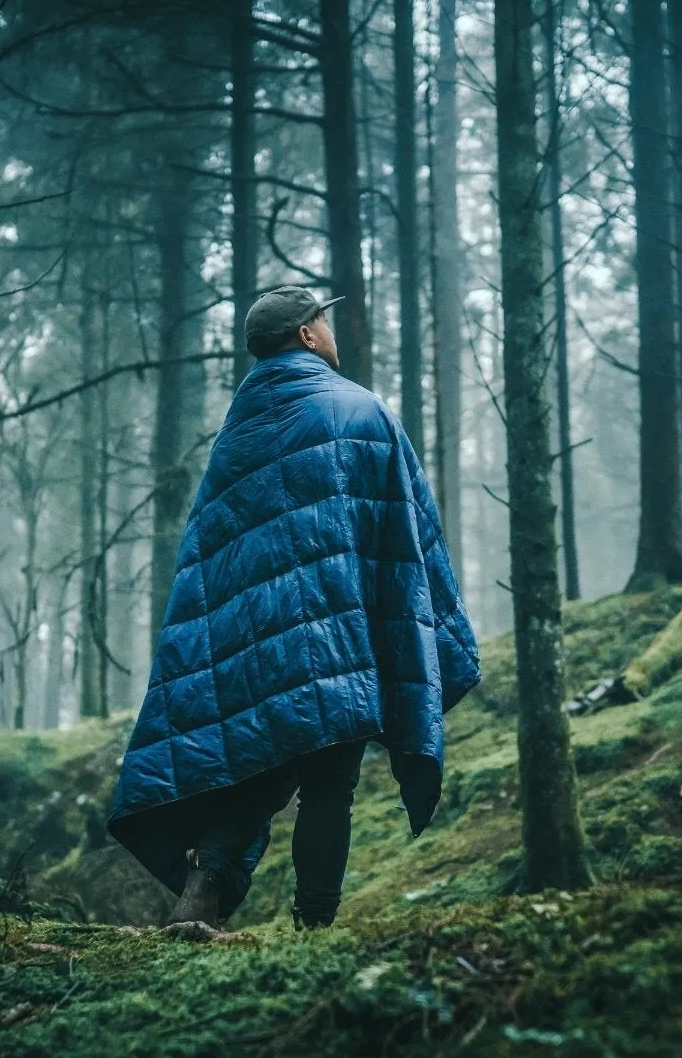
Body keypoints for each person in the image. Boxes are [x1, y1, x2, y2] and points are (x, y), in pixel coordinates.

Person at [107, 286, 480, 938]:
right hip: (336, 645)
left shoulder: (234, 435)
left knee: (255, 778)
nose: (330, 329)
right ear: (307, 335)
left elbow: (211, 560)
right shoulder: (360, 412)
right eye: (323, 320)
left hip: (253, 652)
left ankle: (198, 899)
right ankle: (314, 931)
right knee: (328, 789)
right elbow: (404, 536)